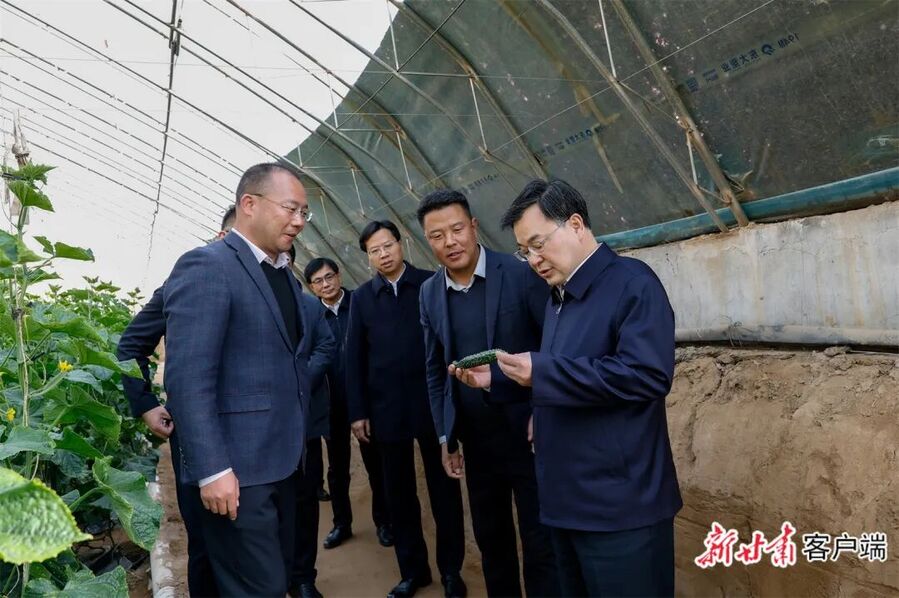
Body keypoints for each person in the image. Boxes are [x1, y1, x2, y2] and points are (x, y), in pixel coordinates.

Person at [457, 179, 682, 597]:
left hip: (620, 510)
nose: (534, 260)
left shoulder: (632, 284)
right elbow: (570, 376)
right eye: (524, 251)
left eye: (538, 244)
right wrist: (500, 378)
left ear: (575, 224)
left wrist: (541, 371)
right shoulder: (558, 299)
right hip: (566, 505)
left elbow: (646, 374)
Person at [163, 162, 329, 596]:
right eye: (291, 208)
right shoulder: (208, 265)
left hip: (284, 462)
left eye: (305, 212)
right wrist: (212, 469)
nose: (299, 221)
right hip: (237, 472)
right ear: (249, 204)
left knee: (275, 580)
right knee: (258, 588)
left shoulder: (283, 273)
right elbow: (189, 378)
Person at [417, 189, 559, 597]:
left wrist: (544, 411)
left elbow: (552, 346)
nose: (450, 242)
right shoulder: (429, 293)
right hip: (476, 442)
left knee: (541, 541)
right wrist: (446, 437)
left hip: (529, 435)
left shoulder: (519, 273)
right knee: (492, 540)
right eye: (437, 235)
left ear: (474, 227)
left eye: (457, 229)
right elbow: (435, 369)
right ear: (427, 240)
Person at [116, 206, 235, 597]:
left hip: (263, 441)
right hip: (199, 434)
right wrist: (146, 404)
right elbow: (130, 346)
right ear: (223, 237)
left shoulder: (275, 283)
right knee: (207, 544)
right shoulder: (186, 279)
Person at [345, 221, 467, 598]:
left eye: (388, 246)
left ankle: (451, 571)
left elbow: (450, 342)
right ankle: (414, 571)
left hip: (432, 404)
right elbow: (354, 358)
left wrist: (454, 401)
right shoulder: (363, 298)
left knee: (444, 491)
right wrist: (358, 411)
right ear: (368, 257)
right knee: (398, 494)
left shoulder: (431, 284)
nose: (383, 254)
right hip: (387, 409)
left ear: (401, 244)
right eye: (375, 250)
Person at [303, 258, 394, 550]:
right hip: (330, 402)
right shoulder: (311, 315)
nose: (326, 284)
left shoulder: (359, 303)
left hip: (364, 400)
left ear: (339, 276)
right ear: (311, 287)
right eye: (318, 281)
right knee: (337, 467)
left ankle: (384, 521)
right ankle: (342, 524)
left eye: (329, 276)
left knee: (375, 462)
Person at [290, 287, 337, 598]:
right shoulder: (241, 295)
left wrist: (301, 379)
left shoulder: (308, 305)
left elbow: (326, 344)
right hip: (260, 429)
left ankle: (303, 577)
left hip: (305, 422)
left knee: (305, 501)